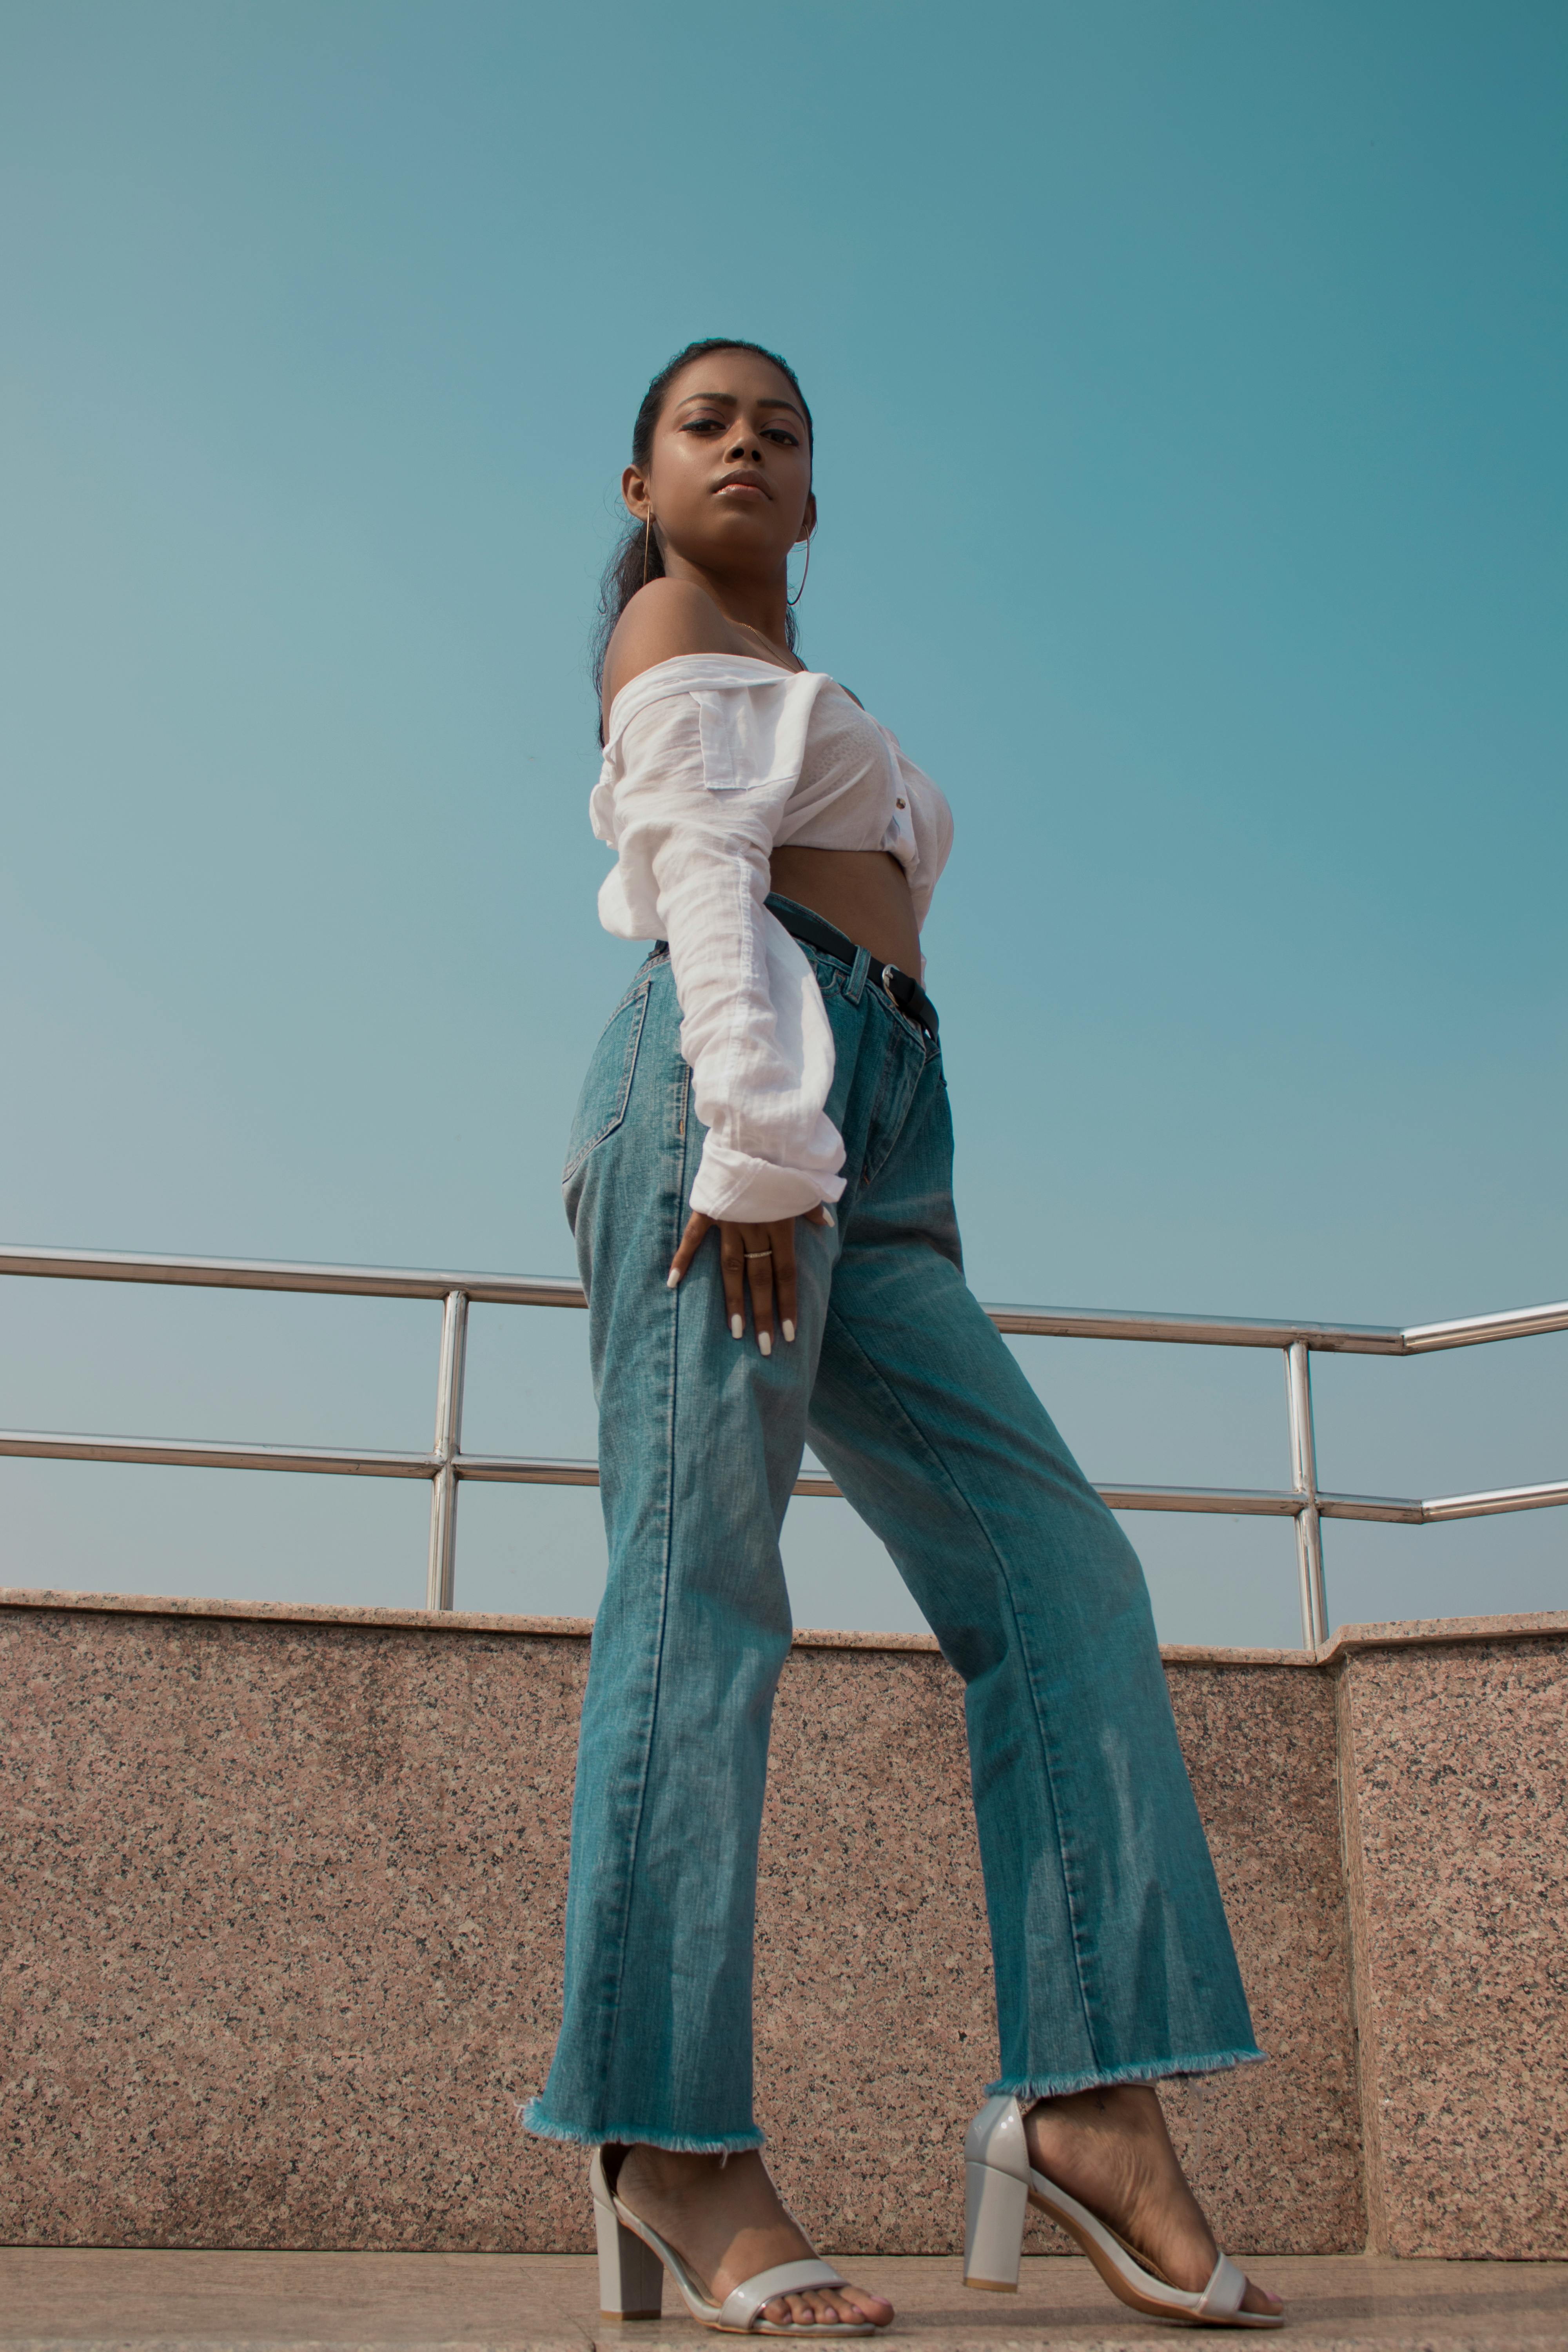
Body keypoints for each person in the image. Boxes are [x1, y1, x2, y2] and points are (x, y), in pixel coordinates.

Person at [523, 337, 1284, 2337]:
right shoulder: (671, 629)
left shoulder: (798, 680)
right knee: (702, 1598)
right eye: (707, 424)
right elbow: (702, 875)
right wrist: (765, 1138)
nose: (750, 447)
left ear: (817, 485)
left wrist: (832, 1130)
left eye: (782, 428)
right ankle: (666, 2138)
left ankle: (1086, 2095)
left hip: (873, 1132)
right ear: (640, 487)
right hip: (740, 1101)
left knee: (1062, 1576)